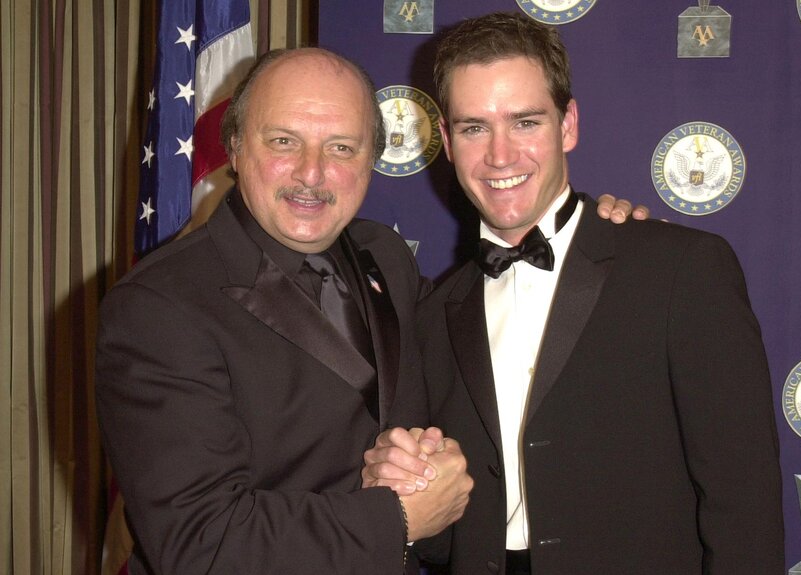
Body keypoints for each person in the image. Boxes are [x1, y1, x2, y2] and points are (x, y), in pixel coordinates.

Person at [96, 46, 639, 574]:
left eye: (341, 148)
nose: (312, 173)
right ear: (235, 147)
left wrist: (589, 237)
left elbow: (488, 325)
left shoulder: (383, 255)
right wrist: (398, 517)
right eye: (285, 141)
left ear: (373, 161)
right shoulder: (158, 308)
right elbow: (200, 544)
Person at [363, 12, 784, 574]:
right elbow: (447, 535)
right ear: (445, 140)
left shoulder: (681, 271)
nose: (500, 155)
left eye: (526, 122)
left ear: (568, 125)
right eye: (473, 128)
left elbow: (745, 507)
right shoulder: (436, 311)